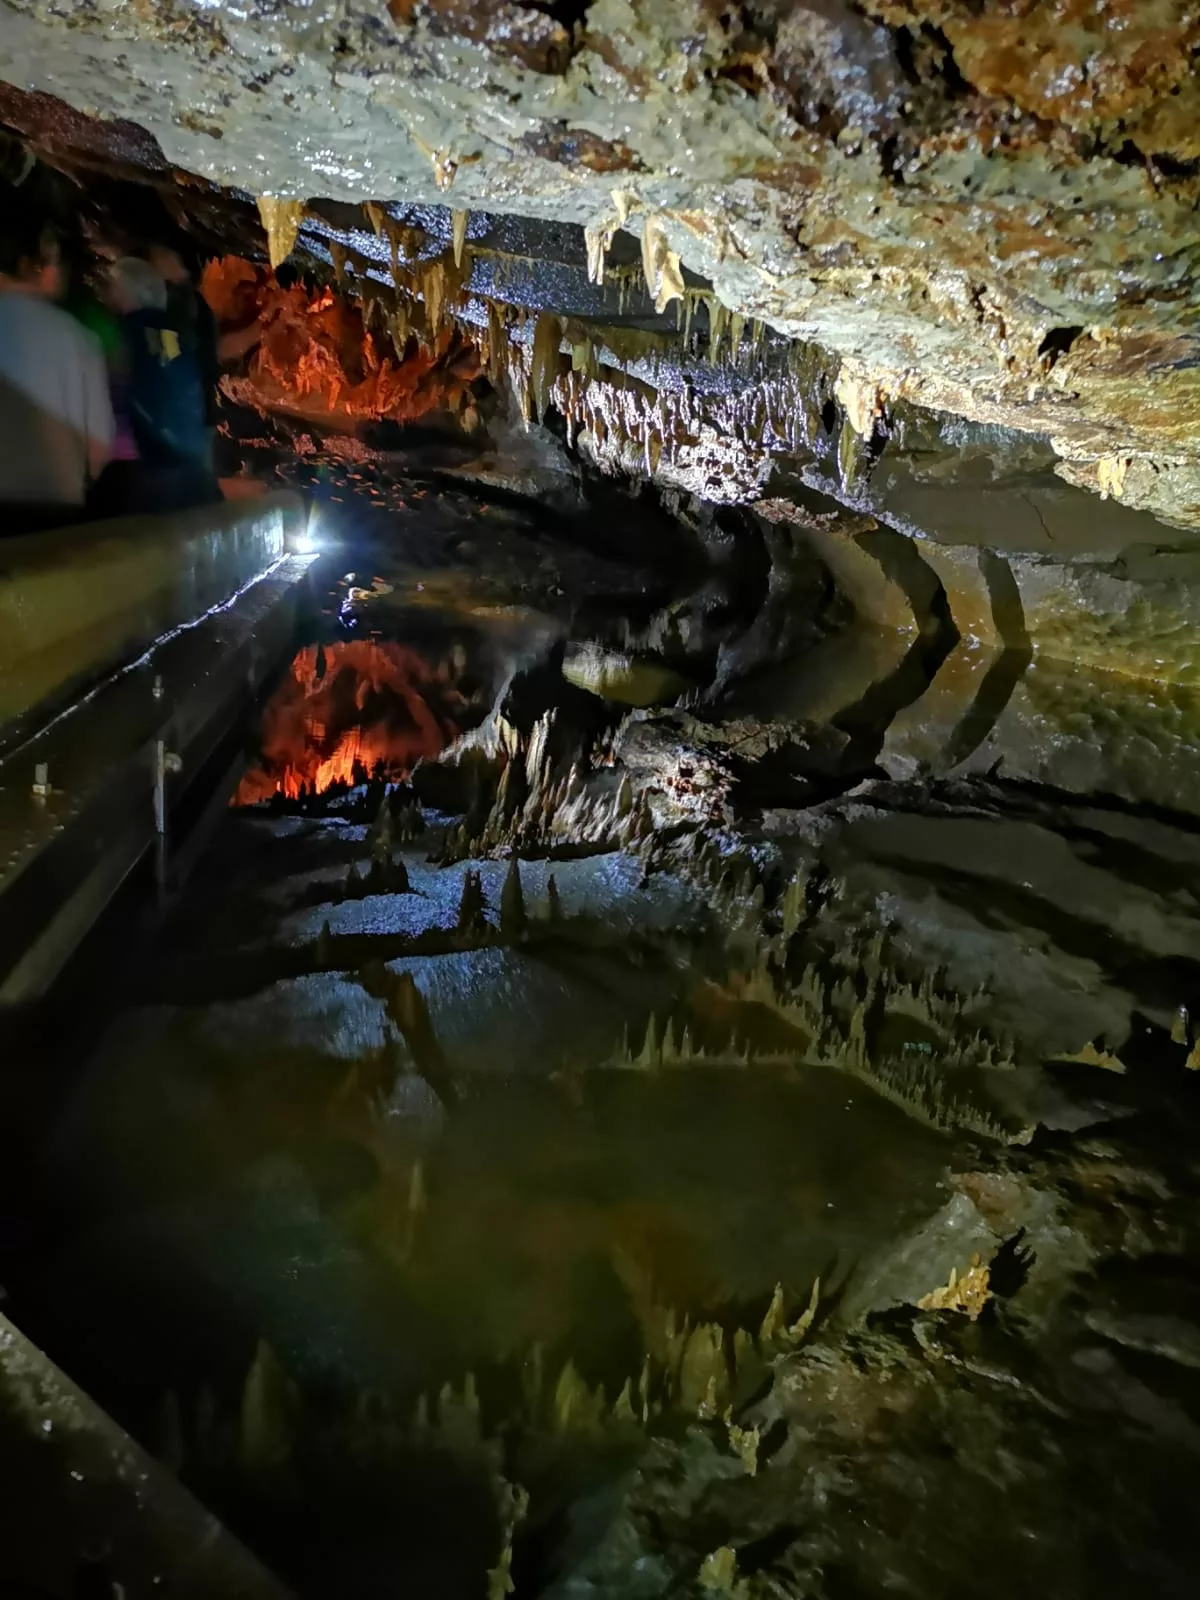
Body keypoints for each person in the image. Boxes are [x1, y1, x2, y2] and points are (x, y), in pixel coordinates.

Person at [0, 186, 114, 532]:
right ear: (30, 265)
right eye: (54, 260)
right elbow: (99, 449)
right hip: (53, 509)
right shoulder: (78, 338)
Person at [91, 255, 218, 516]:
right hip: (189, 467)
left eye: (112, 288)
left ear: (125, 290)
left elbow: (114, 396)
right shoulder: (180, 337)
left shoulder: (123, 333)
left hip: (138, 466)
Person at [143, 241, 222, 468]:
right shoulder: (189, 303)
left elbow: (181, 354)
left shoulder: (182, 303)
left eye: (162, 255)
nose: (154, 262)